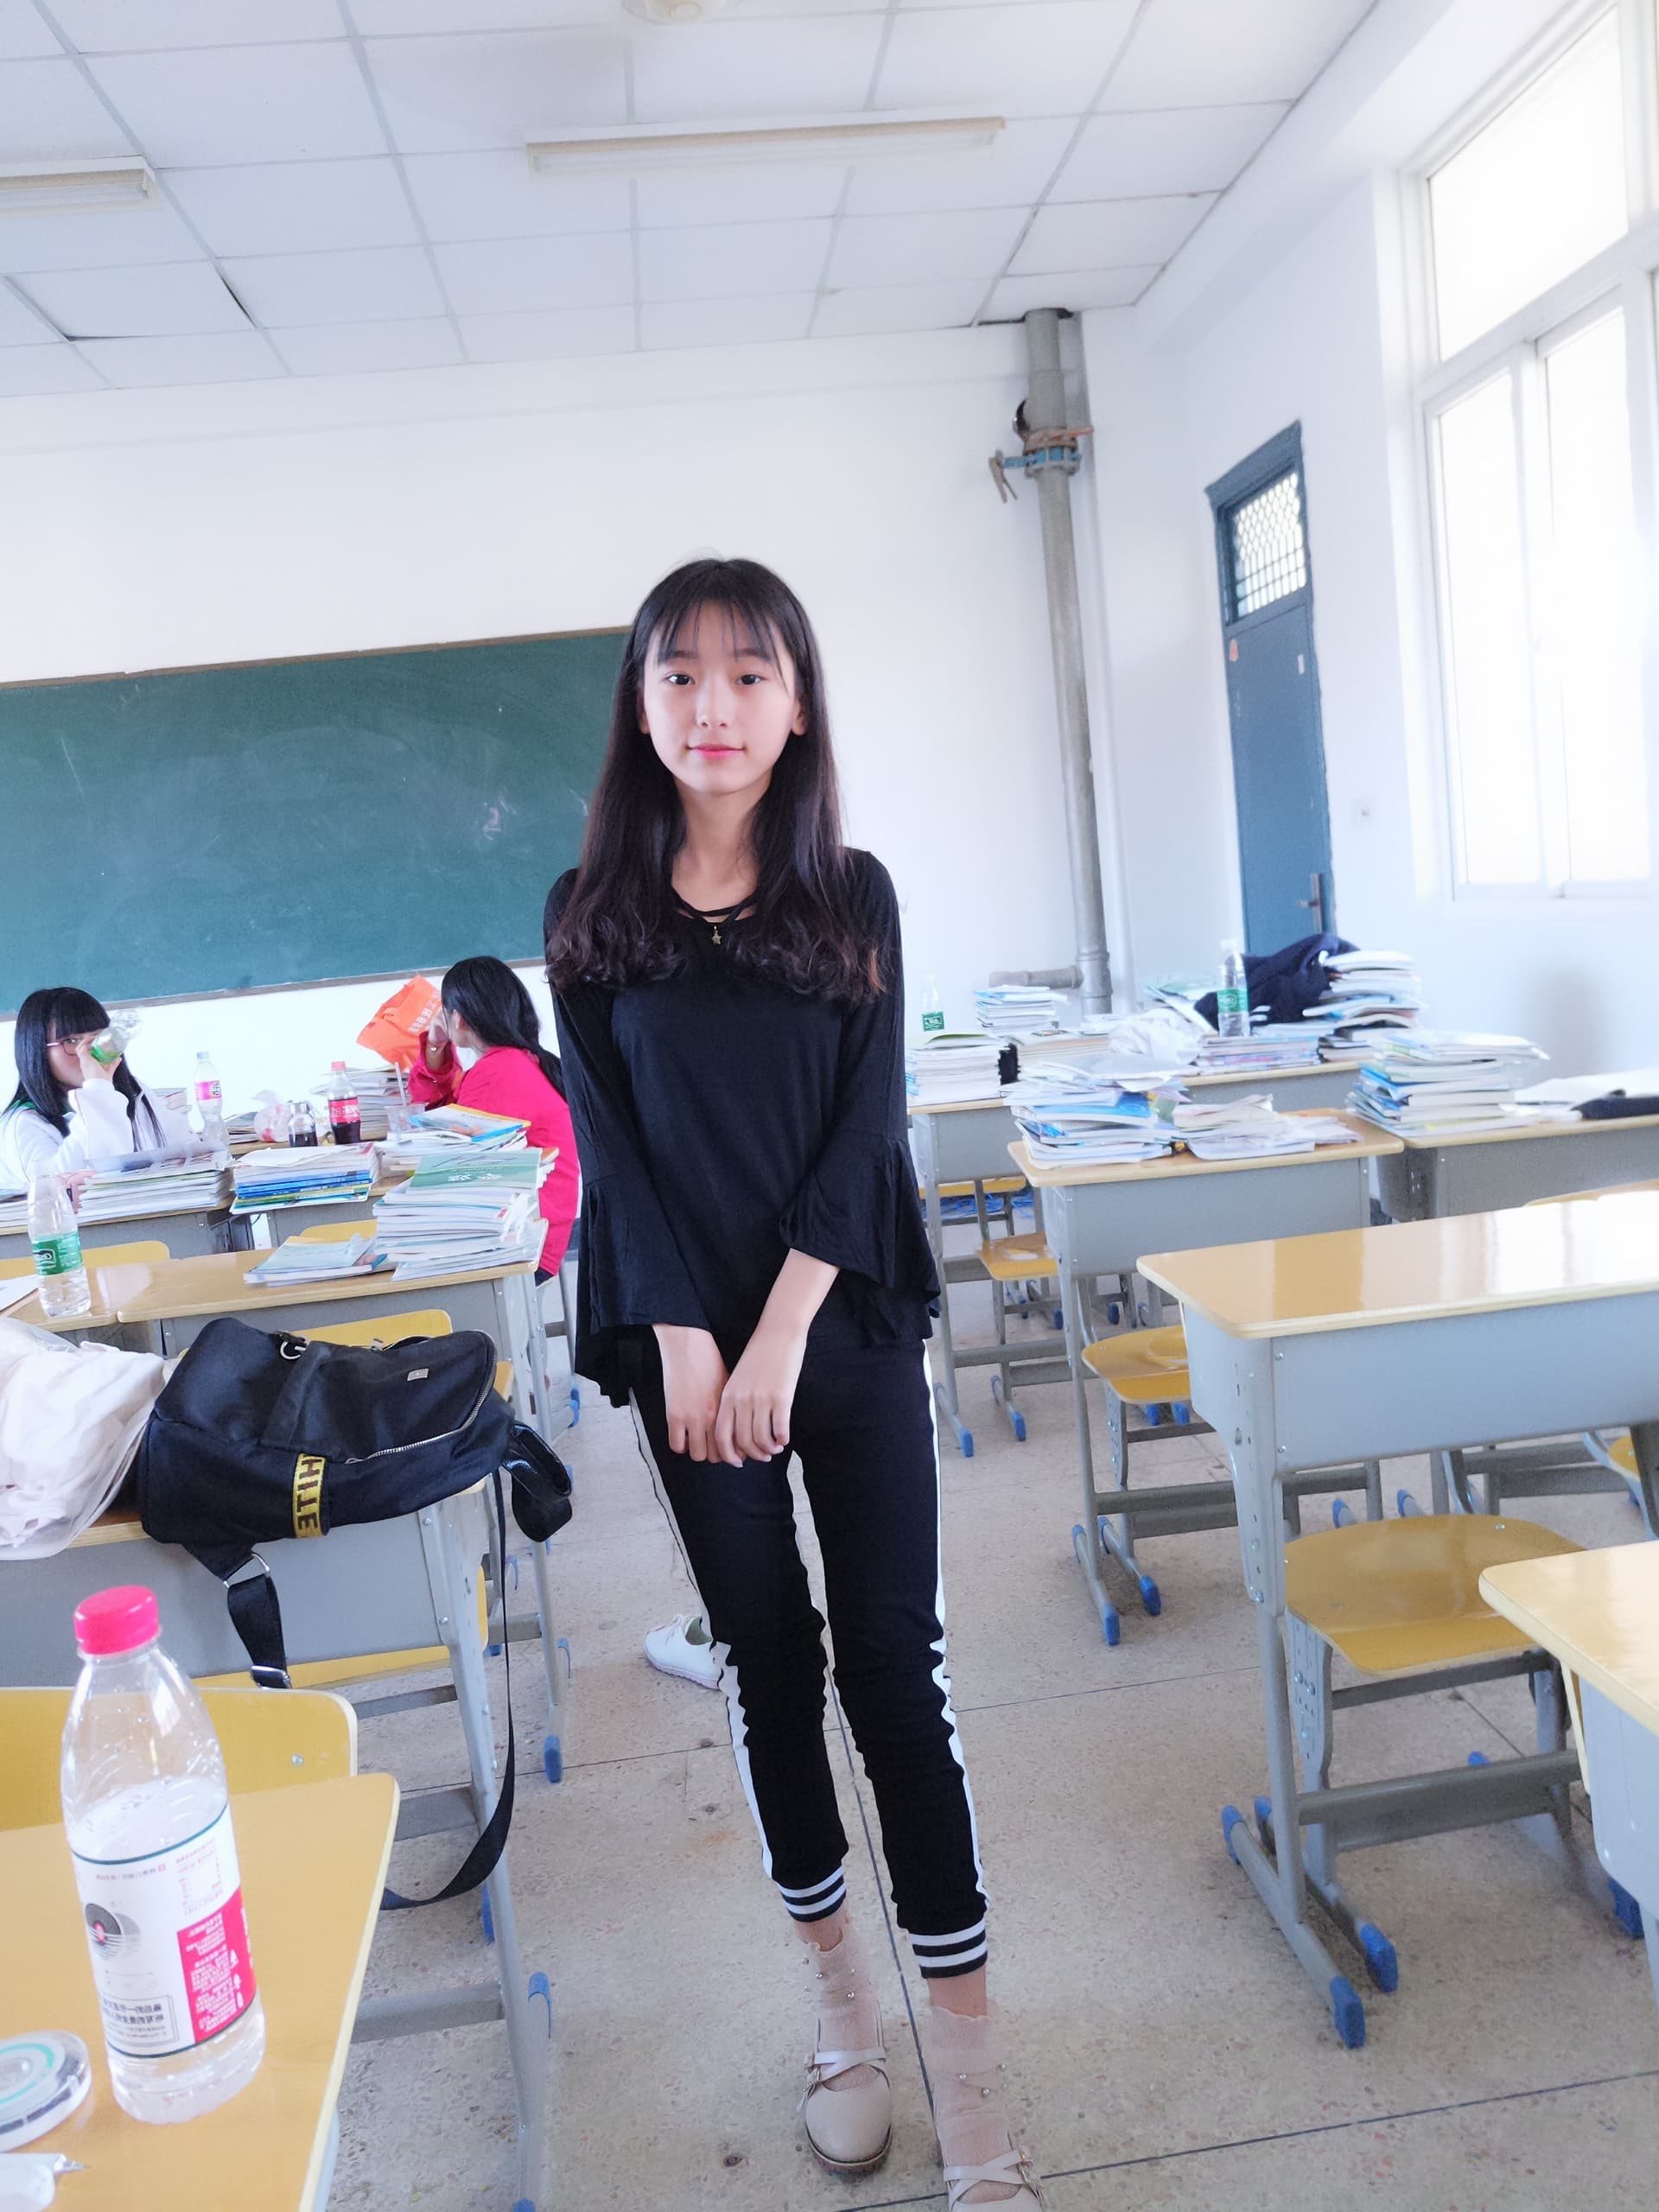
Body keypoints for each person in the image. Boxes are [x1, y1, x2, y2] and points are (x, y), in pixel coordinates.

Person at [545, 556, 1041, 2205]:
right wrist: (693, 1336)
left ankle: (971, 2089)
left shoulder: (857, 896)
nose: (714, 707)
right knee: (770, 1667)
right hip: (686, 1355)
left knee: (898, 1672)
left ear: (799, 701)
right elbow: (611, 1153)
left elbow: (865, 1128)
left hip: (839, 1327)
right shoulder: (591, 918)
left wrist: (779, 1334)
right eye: (678, 676)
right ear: (639, 705)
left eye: (750, 674)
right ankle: (845, 2026)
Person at [408, 955, 579, 1280]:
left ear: (457, 1018)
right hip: (529, 1228)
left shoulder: (500, 1072)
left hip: (525, 1241)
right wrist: (435, 1047)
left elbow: (447, 1151)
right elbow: (440, 1115)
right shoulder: (515, 1061)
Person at [1, 987, 194, 1191]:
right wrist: (97, 1090)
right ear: (37, 1050)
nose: (89, 1052)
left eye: (99, 1037)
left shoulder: (132, 1093)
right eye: (71, 1041)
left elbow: (184, 1143)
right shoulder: (24, 1124)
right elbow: (69, 1190)